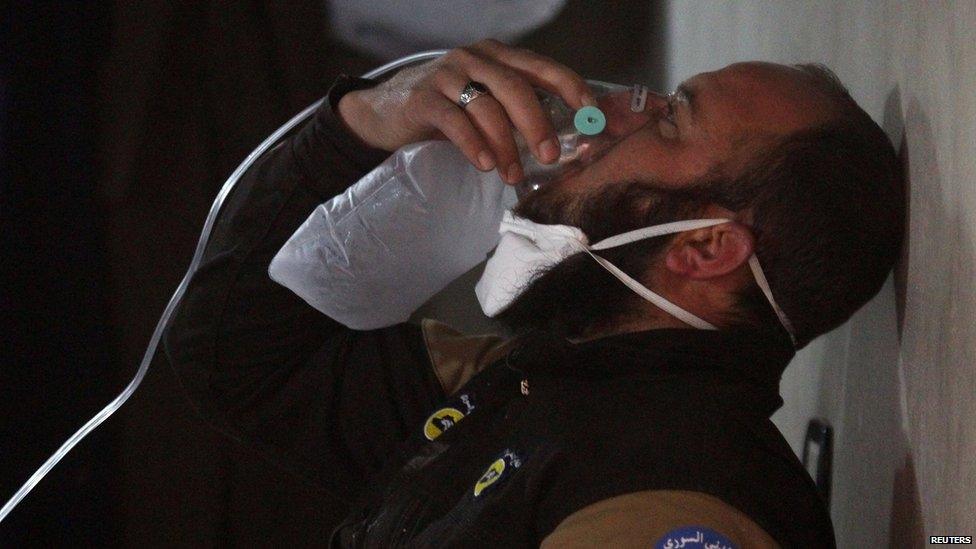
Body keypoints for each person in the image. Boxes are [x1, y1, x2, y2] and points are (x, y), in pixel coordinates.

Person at [165, 40, 902, 547]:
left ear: (704, 247)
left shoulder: (679, 488)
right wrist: (362, 124)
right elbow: (234, 356)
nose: (610, 113)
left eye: (670, 118)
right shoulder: (530, 383)